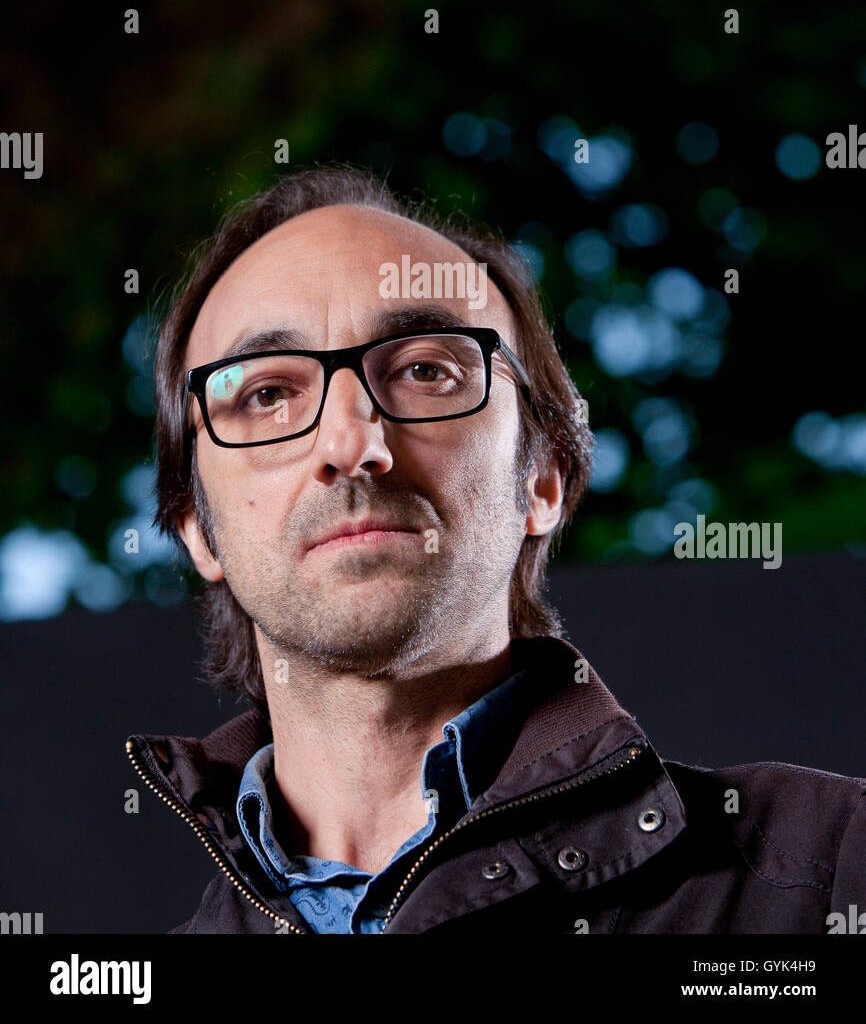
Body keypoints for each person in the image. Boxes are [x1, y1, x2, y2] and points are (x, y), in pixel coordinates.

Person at [126, 165, 866, 934]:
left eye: (423, 371)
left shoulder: (832, 876)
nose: (350, 442)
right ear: (197, 528)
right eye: (267, 394)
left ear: (544, 479)